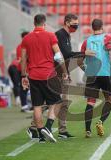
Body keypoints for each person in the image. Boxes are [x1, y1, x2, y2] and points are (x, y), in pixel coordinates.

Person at [21, 14, 68, 143]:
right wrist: (64, 71)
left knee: (37, 105)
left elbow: (23, 59)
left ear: (34, 23)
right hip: (48, 75)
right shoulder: (50, 36)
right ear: (44, 24)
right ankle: (47, 127)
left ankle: (41, 135)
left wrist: (23, 76)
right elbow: (58, 55)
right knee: (57, 102)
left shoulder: (26, 38)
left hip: (33, 75)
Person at [80, 18, 111, 138]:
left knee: (90, 102)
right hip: (106, 74)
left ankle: (87, 130)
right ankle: (100, 122)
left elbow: (78, 62)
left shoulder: (86, 41)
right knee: (109, 100)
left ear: (92, 28)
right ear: (102, 26)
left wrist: (87, 70)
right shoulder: (107, 38)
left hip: (92, 75)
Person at [55, 13, 91, 139]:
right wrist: (83, 53)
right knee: (53, 101)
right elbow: (66, 54)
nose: (76, 26)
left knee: (64, 101)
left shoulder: (67, 35)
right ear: (66, 22)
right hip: (57, 73)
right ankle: (35, 125)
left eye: (77, 24)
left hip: (64, 72)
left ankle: (62, 130)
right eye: (74, 24)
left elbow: (67, 56)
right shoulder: (60, 34)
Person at [16, 31, 31, 112]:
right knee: (24, 88)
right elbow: (21, 60)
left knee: (28, 88)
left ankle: (29, 105)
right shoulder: (21, 47)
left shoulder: (26, 46)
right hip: (23, 71)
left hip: (28, 70)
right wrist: (24, 73)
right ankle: (24, 106)